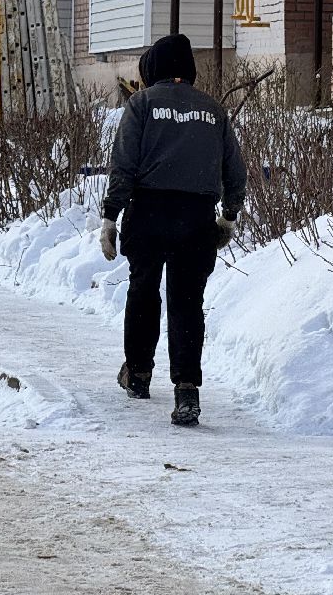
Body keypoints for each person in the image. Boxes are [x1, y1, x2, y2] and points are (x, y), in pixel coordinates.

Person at [100, 33, 247, 427]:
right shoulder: (214, 110)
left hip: (148, 211)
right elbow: (235, 171)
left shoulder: (142, 103)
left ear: (154, 70)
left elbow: (124, 163)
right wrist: (228, 216)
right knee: (186, 303)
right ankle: (186, 392)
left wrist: (110, 216)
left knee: (143, 290)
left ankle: (139, 375)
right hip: (197, 216)